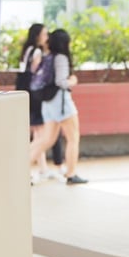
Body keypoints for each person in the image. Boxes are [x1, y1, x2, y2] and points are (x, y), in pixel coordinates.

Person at [35, 28, 88, 185]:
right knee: (73, 138)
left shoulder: (48, 57)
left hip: (48, 102)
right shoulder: (61, 58)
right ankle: (71, 174)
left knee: (47, 140)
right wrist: (72, 81)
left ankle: (20, 166)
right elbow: (60, 82)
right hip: (61, 103)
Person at [21, 23, 52, 184]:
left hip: (24, 95)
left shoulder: (26, 50)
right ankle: (27, 169)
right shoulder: (38, 52)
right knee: (39, 134)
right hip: (34, 97)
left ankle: (43, 168)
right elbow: (36, 76)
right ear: (38, 36)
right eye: (45, 34)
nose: (47, 38)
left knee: (36, 133)